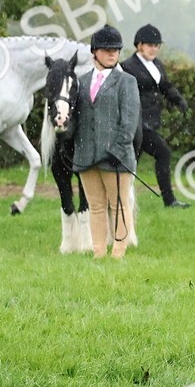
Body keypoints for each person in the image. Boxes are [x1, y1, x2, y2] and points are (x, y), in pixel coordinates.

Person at [72, 26, 140, 259]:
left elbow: (129, 122)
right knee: (96, 206)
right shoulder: (80, 82)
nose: (112, 54)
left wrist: (118, 150)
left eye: (116, 50)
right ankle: (98, 251)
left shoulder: (127, 82)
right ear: (95, 52)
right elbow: (76, 119)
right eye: (106, 50)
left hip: (115, 157)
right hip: (86, 155)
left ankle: (118, 251)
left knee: (119, 204)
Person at [120, 24, 190, 208]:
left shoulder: (156, 65)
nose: (154, 49)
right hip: (137, 124)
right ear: (139, 45)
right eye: (150, 45)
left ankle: (122, 197)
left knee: (130, 162)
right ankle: (169, 200)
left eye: (157, 45)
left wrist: (178, 100)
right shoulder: (127, 66)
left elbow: (165, 86)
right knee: (163, 153)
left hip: (151, 123)